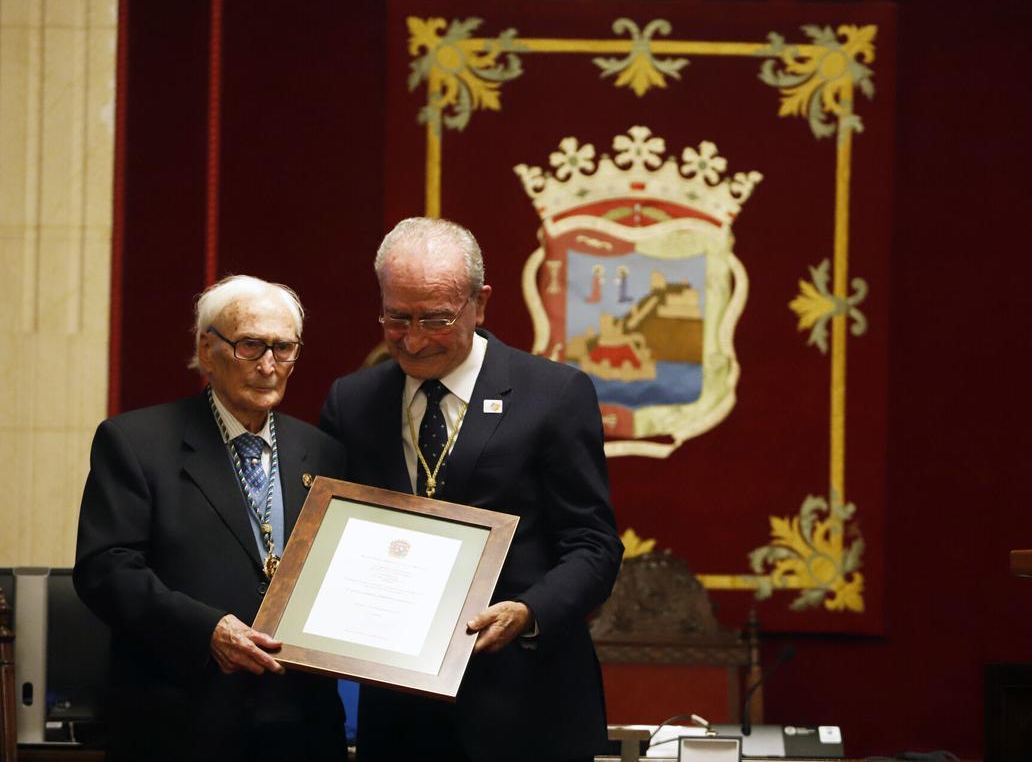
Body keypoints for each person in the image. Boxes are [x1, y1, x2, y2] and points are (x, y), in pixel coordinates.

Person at [320, 217, 623, 762]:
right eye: (396, 317)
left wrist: (528, 612)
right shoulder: (352, 401)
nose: (412, 340)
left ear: (480, 304)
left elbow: (594, 547)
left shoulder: (553, 394)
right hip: (402, 716)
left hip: (525, 708)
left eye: (435, 319)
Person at [74, 275, 348, 761]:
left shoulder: (323, 453)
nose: (268, 365)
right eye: (250, 346)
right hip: (182, 720)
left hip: (301, 724)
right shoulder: (136, 443)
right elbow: (105, 569)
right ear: (207, 348)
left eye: (283, 349)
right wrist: (206, 630)